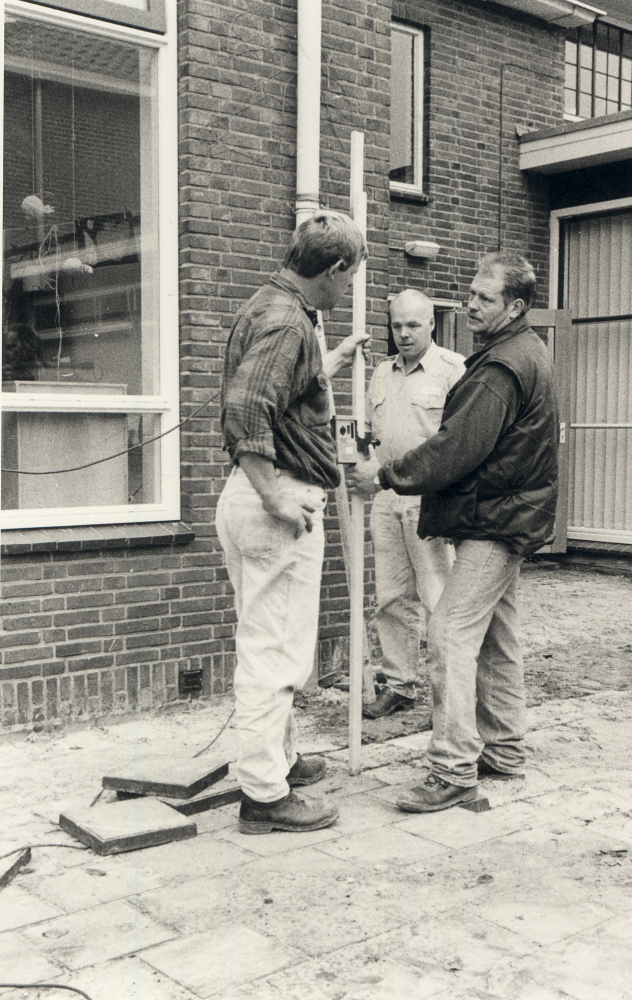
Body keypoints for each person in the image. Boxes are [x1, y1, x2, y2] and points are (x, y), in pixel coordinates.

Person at [348, 251, 559, 812]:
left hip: (495, 521)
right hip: (507, 516)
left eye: (484, 298)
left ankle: (453, 768)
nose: (469, 305)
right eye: (469, 294)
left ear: (514, 306)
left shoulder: (498, 368)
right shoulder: (522, 352)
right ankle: (505, 750)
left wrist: (387, 476)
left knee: (447, 634)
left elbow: (455, 449)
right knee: (496, 635)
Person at [216, 210, 369, 834]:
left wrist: (328, 358)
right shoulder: (287, 321)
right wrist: (278, 495)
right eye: (349, 276)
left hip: (250, 499)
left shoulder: (271, 305)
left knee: (270, 641)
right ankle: (262, 794)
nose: (347, 288)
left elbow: (284, 387)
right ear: (333, 268)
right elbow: (248, 407)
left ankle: (278, 759)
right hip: (275, 502)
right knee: (273, 653)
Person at [363, 289, 466, 718]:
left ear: (431, 325)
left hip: (430, 499)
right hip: (386, 497)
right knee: (391, 596)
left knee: (438, 595)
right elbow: (370, 433)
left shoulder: (453, 370)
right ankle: (400, 684)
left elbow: (459, 441)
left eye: (413, 325)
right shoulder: (381, 373)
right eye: (397, 326)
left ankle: (450, 691)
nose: (403, 334)